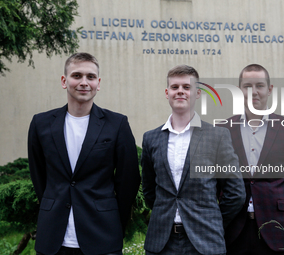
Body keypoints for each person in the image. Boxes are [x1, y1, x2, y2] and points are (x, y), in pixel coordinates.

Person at [28, 52, 141, 255]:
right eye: (76, 75)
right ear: (64, 81)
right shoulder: (41, 123)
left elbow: (128, 181)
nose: (84, 82)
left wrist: (114, 223)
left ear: (98, 83)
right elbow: (39, 176)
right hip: (53, 239)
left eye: (90, 77)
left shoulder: (117, 124)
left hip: (103, 237)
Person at [142, 65, 246, 255]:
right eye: (175, 87)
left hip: (205, 240)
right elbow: (150, 190)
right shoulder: (151, 138)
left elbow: (236, 192)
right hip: (161, 243)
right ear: (167, 93)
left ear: (197, 93)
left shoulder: (217, 136)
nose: (180, 91)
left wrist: (211, 219)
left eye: (186, 87)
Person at [219, 64, 284, 254]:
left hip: (280, 229)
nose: (253, 92)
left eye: (259, 85)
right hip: (235, 231)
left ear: (269, 90)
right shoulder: (223, 130)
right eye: (247, 86)